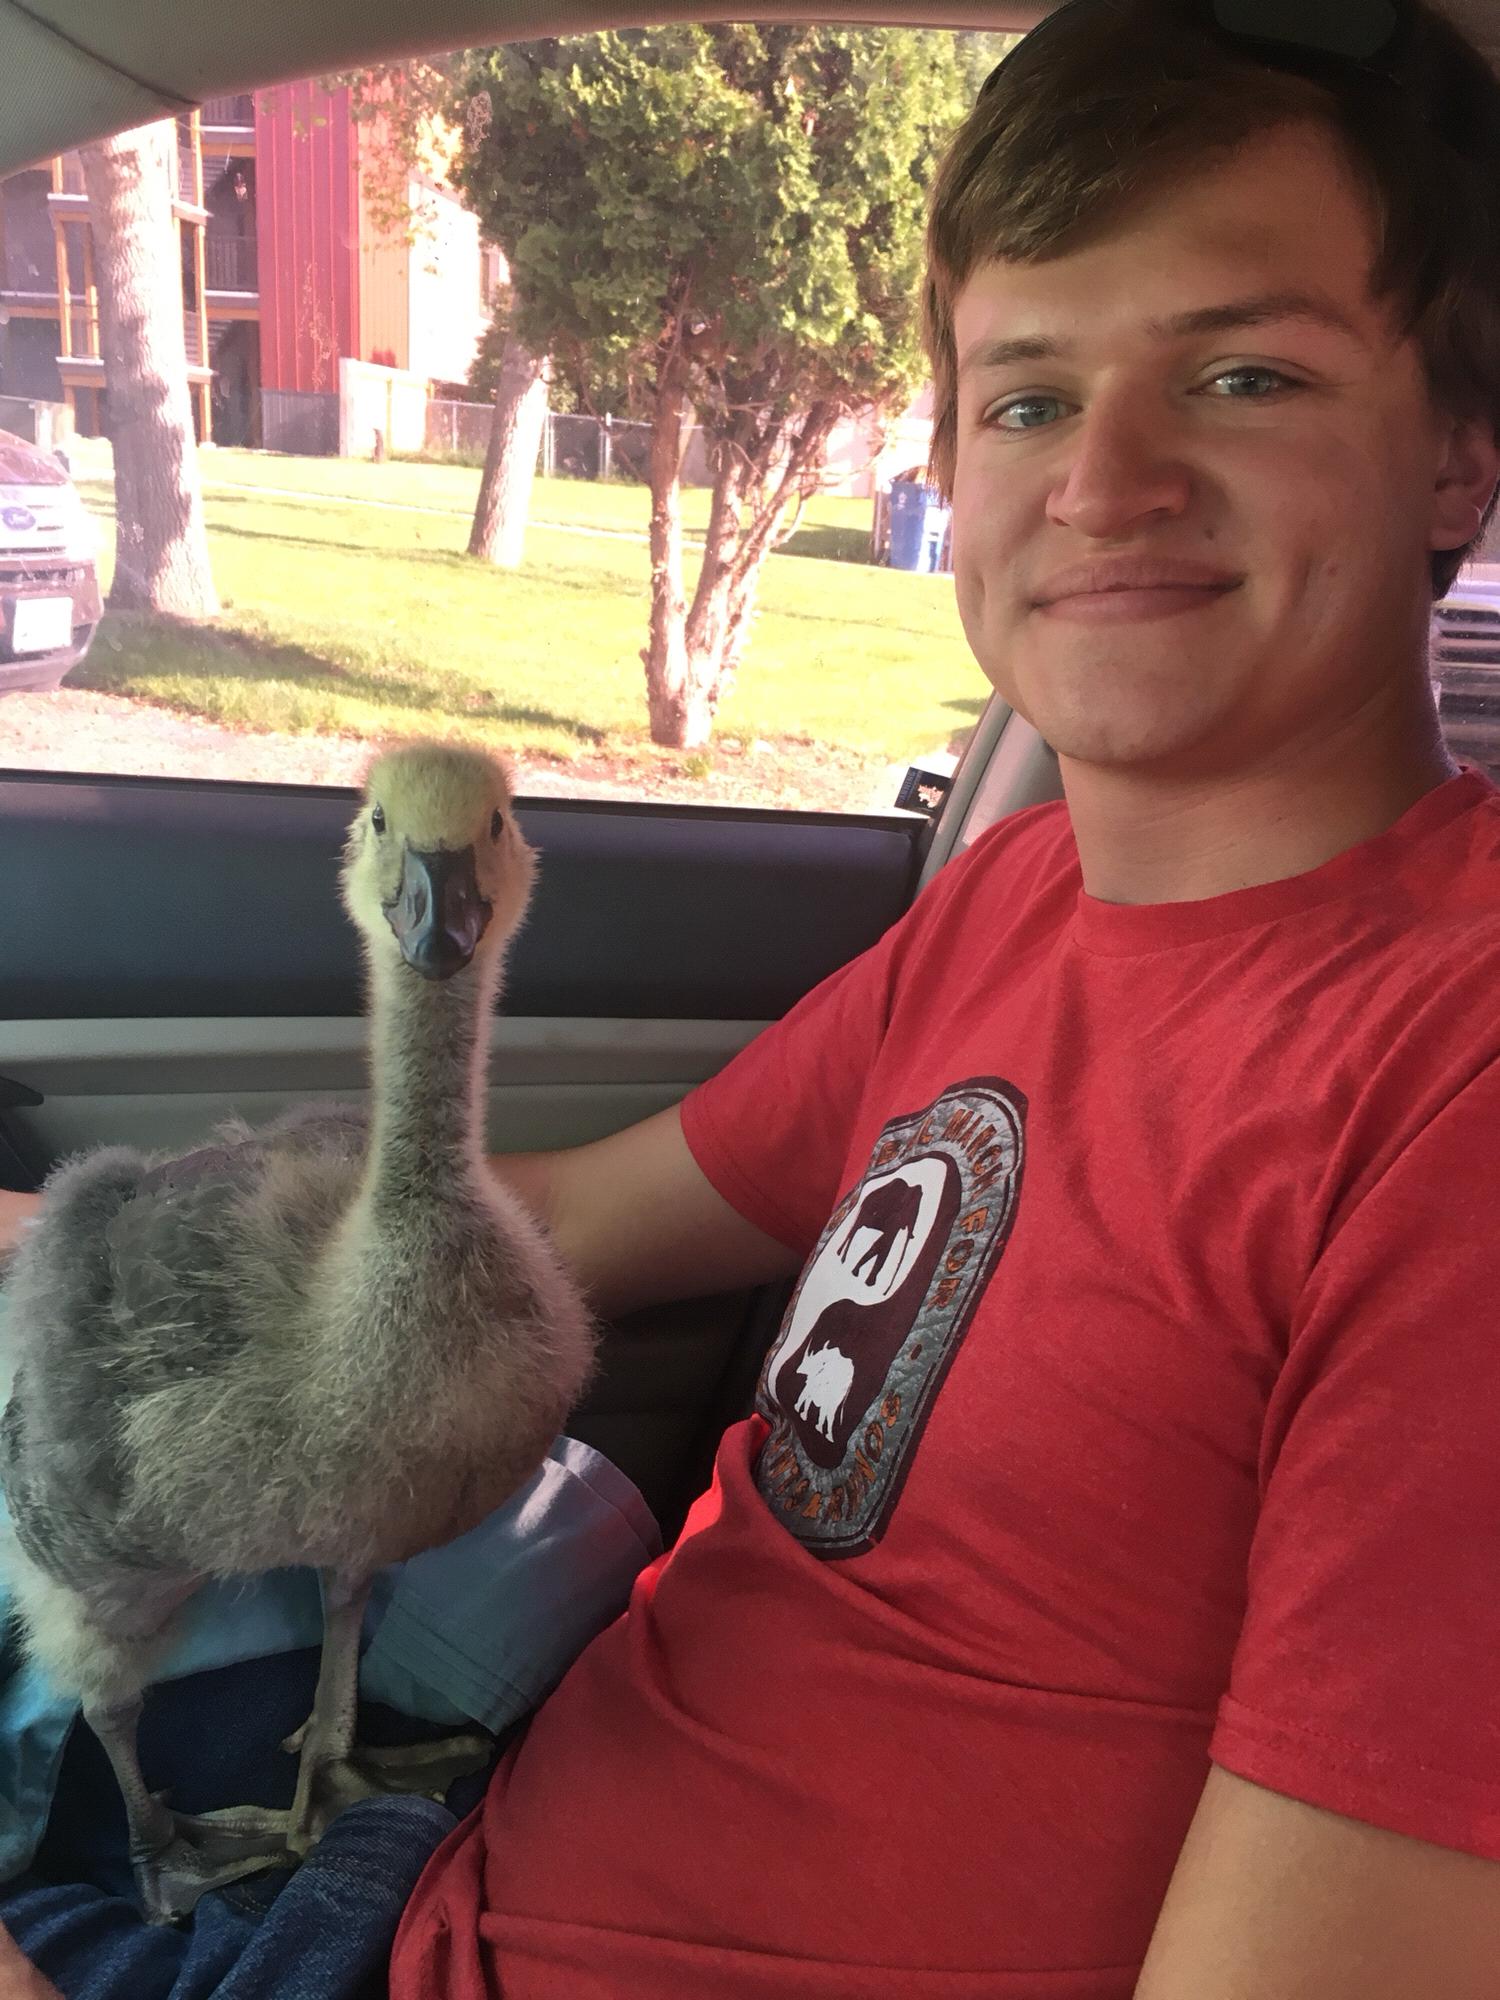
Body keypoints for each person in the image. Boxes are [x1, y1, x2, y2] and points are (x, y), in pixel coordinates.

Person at [7, 0, 1500, 1992]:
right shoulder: (1021, 906)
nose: (1107, 482)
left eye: (1243, 373)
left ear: (1459, 459)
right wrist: (58, 1252)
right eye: (1029, 397)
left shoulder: (1452, 1081)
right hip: (424, 1852)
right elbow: (548, 1222)